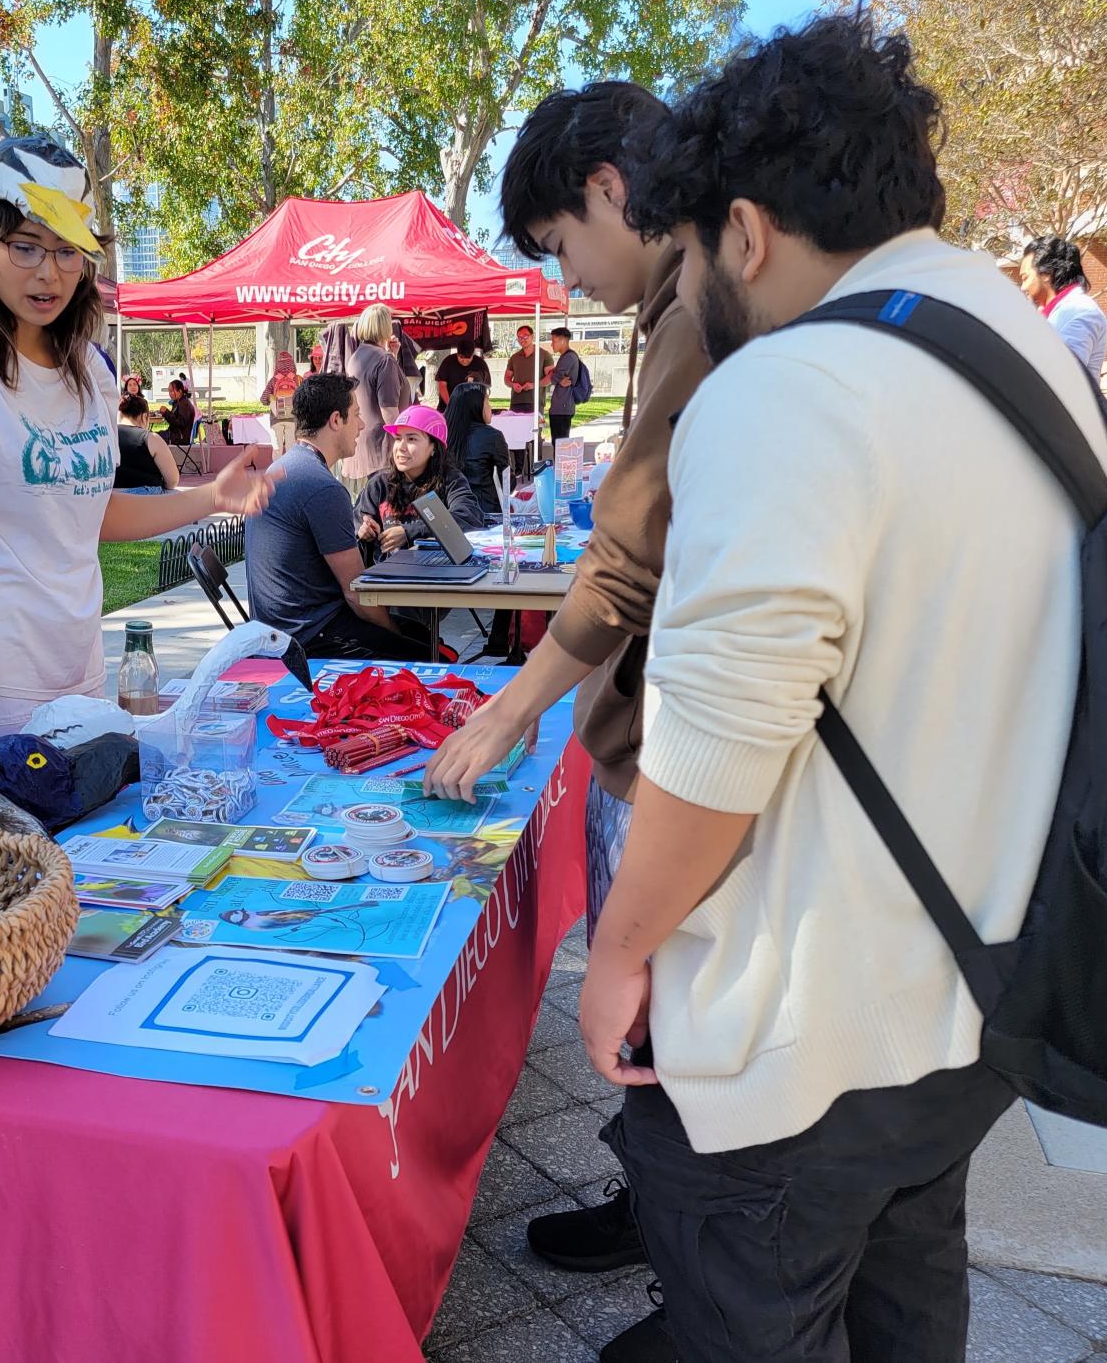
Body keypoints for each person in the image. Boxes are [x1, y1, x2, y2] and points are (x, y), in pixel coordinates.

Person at [581, 13, 1107, 1363]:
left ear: (744, 233)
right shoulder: (1036, 356)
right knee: (908, 1304)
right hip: (979, 1000)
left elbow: (714, 752)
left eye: (691, 256)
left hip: (796, 1043)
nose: (694, 287)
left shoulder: (792, 386)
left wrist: (622, 948)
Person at [429, 78, 715, 1361]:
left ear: (609, 186)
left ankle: (701, 1286)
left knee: (659, 1015)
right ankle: (659, 1212)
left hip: (677, 749)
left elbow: (629, 560)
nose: (565, 277)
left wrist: (513, 708)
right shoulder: (683, 300)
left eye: (558, 245)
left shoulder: (706, 297)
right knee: (664, 1044)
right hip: (654, 733)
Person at [0, 135, 277, 767]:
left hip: (79, 671)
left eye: (67, 251)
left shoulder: (88, 367)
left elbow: (90, 513)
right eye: (26, 246)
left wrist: (209, 498)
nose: (49, 272)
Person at [244, 372, 431, 660]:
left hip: (278, 628)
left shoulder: (285, 468)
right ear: (335, 420)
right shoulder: (321, 487)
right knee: (430, 652)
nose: (362, 425)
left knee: (421, 634)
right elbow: (356, 594)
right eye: (355, 415)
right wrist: (392, 629)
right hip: (308, 639)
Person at [354, 404, 486, 561]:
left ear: (433, 448)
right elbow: (355, 525)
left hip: (438, 574)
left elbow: (469, 517)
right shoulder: (379, 484)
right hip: (389, 577)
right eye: (398, 439)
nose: (401, 447)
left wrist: (409, 532)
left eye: (411, 439)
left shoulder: (451, 480)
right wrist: (365, 532)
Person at [1020, 235, 1107, 377]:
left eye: (1025, 278)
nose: (1023, 287)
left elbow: (1062, 376)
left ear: (1046, 274)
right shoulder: (1055, 312)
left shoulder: (1081, 312)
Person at [345, 302, 404, 481]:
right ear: (385, 325)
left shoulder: (356, 357)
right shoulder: (384, 360)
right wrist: (405, 440)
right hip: (382, 448)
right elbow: (389, 411)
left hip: (362, 443)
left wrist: (392, 355)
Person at [444, 381, 511, 517]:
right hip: (485, 513)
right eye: (487, 401)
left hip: (449, 512)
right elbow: (506, 480)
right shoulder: (492, 436)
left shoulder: (442, 434)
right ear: (476, 404)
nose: (490, 407)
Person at [544, 326, 594, 444]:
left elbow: (553, 377)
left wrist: (534, 384)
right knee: (558, 442)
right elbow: (555, 376)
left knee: (560, 444)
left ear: (563, 341)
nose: (552, 344)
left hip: (563, 408)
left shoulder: (568, 357)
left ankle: (560, 463)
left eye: (554, 341)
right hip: (560, 407)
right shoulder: (566, 357)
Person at [115, 421, 180, 491]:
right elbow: (172, 481)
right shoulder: (151, 438)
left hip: (111, 495)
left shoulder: (107, 436)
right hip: (147, 496)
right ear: (144, 416)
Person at [259, 350, 302, 453]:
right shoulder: (297, 379)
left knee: (277, 448)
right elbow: (304, 397)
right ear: (292, 364)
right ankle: (290, 467)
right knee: (291, 447)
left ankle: (277, 467)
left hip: (276, 417)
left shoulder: (274, 380)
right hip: (292, 418)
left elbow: (263, 399)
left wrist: (271, 399)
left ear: (277, 366)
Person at [433, 335, 491, 408]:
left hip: (472, 408)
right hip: (447, 406)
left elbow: (486, 387)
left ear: (473, 354)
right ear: (457, 353)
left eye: (468, 358)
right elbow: (442, 385)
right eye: (461, 357)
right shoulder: (448, 361)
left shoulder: (480, 364)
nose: (464, 361)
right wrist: (451, 406)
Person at [503, 324, 545, 413]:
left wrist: (534, 385)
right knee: (515, 427)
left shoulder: (544, 355)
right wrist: (513, 385)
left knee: (535, 427)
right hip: (516, 402)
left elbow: (550, 377)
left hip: (536, 402)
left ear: (532, 336)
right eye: (519, 337)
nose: (522, 339)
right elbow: (507, 378)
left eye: (525, 336)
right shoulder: (514, 357)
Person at [157, 377, 198, 444]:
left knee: (151, 437)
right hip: (174, 434)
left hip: (179, 437)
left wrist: (166, 413)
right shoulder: (179, 402)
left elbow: (179, 423)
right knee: (150, 435)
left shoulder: (184, 404)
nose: (170, 394)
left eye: (172, 391)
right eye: (169, 391)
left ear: (180, 391)